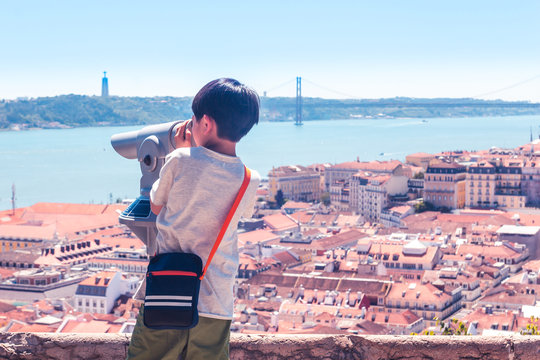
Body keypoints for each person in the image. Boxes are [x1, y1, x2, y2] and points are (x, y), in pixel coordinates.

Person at [127, 78, 260, 360]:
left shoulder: (179, 159)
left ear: (206, 123)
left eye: (194, 119)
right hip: (216, 301)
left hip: (167, 291)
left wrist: (182, 149)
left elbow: (155, 204)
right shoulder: (250, 179)